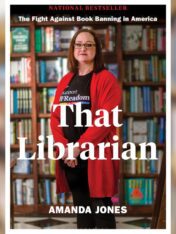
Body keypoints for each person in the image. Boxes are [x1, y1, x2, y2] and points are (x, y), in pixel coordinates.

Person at [50, 28, 122, 229]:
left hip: (95, 157)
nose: (83, 48)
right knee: (82, 212)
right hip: (70, 159)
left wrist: (78, 148)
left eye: (88, 44)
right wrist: (65, 148)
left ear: (96, 50)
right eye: (78, 44)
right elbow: (55, 118)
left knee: (102, 211)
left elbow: (105, 120)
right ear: (73, 49)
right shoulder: (66, 80)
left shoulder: (106, 79)